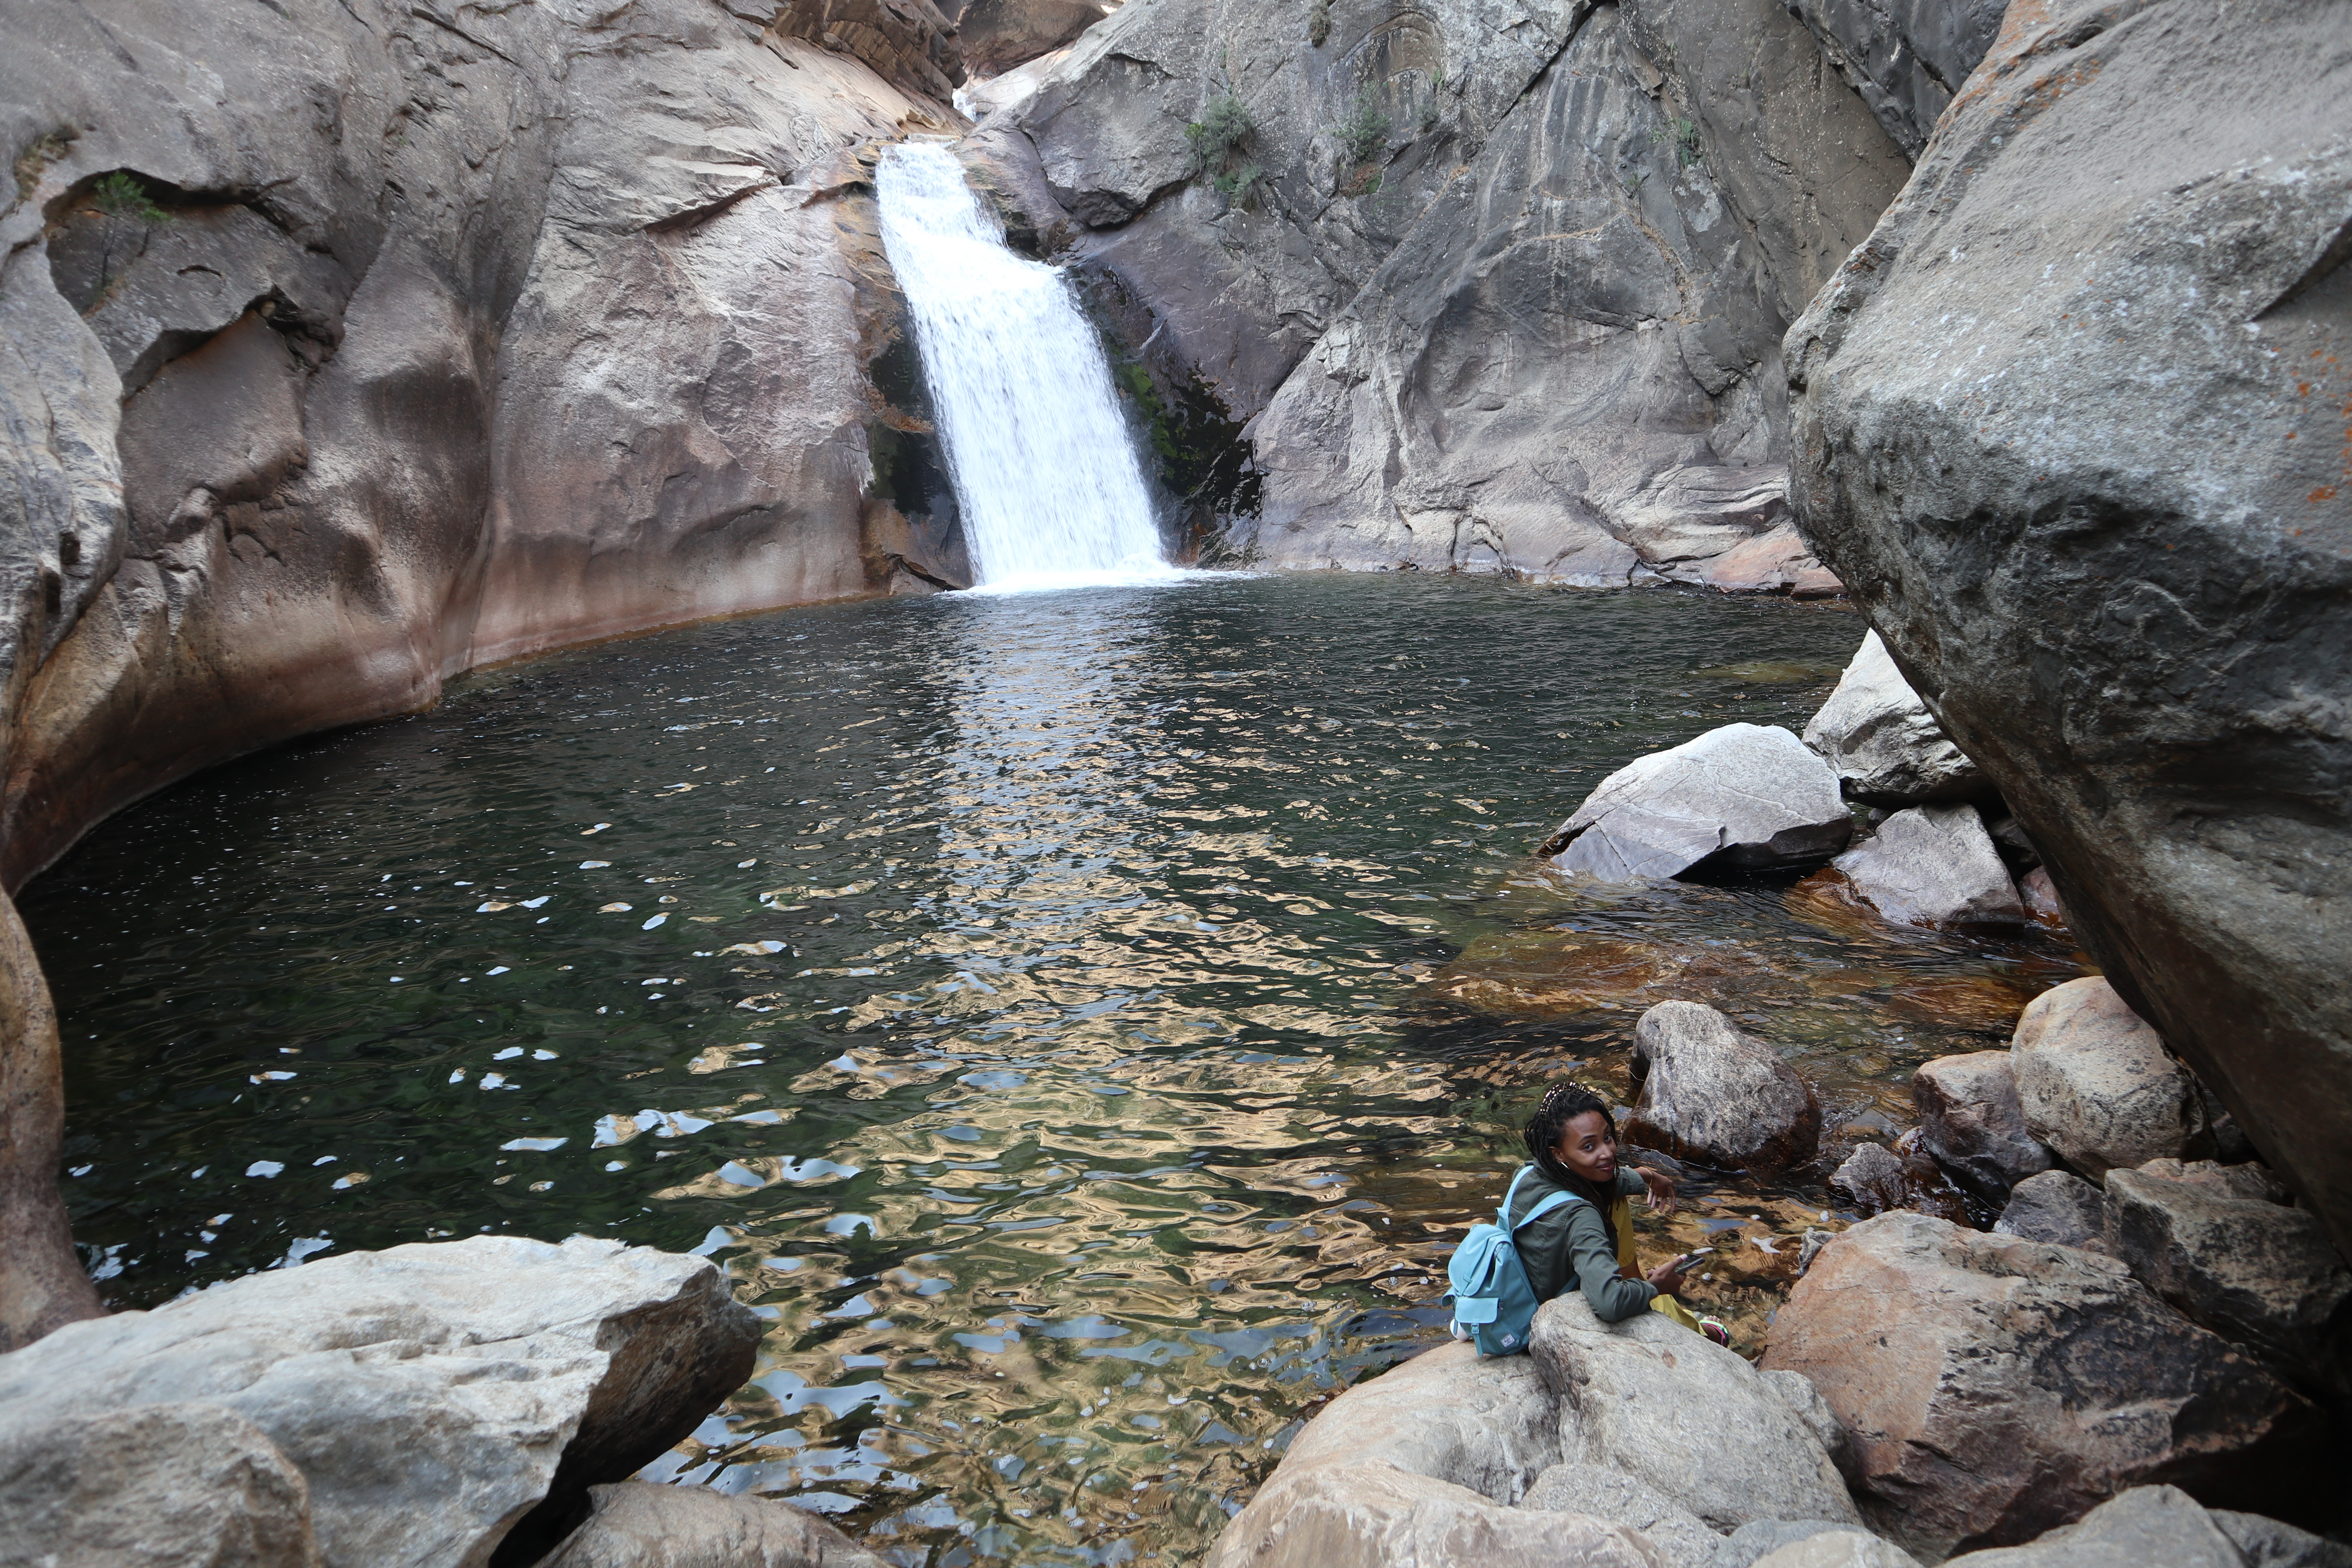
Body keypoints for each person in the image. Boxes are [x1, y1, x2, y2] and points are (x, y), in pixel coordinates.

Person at [1508, 1081, 1729, 1345]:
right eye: (1589, 1147)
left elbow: (1605, 1179)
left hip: (1522, 1293)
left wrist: (1648, 1176)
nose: (1608, 1153)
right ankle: (1706, 1338)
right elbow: (1609, 1304)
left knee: (1614, 1194)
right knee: (1655, 1297)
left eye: (1608, 1137)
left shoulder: (1527, 1175)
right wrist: (1656, 1287)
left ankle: (1641, 1284)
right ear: (1559, 1154)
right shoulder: (1581, 1216)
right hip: (1555, 1319)